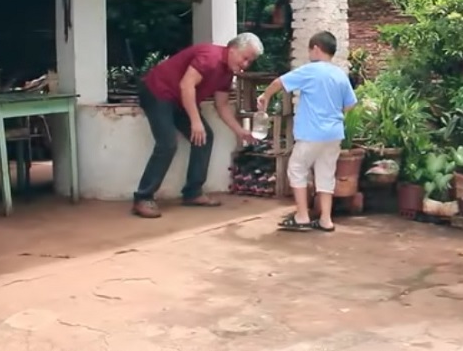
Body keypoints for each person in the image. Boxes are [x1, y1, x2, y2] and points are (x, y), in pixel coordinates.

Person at [131, 33, 265, 219]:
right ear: (233, 50)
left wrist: (240, 131)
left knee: (205, 138)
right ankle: (143, 197)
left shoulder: (227, 72)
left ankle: (193, 192)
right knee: (167, 144)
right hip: (158, 91)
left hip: (179, 100)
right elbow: (186, 85)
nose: (246, 64)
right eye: (245, 58)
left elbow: (221, 105)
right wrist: (195, 121)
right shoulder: (210, 58)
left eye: (249, 61)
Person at [257, 31, 356, 233]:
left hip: (312, 133)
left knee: (296, 168)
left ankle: (302, 216)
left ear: (316, 49)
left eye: (310, 50)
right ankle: (326, 220)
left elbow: (279, 82)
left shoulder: (310, 70)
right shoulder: (339, 74)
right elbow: (350, 104)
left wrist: (265, 96)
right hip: (334, 134)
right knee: (326, 174)